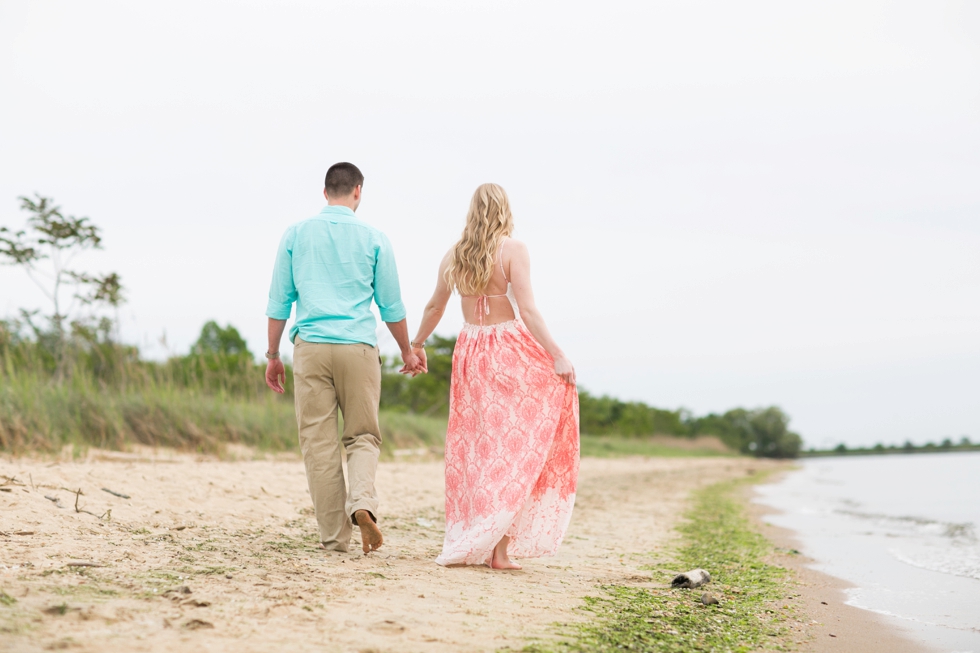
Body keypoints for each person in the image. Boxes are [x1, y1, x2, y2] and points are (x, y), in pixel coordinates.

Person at [411, 183, 580, 569]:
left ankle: (487, 540)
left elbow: (435, 306)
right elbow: (530, 311)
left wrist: (416, 345)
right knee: (513, 449)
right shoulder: (513, 250)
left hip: (470, 351)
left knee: (478, 447)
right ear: (505, 209)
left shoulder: (455, 255)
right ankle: (498, 551)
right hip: (509, 349)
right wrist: (557, 355)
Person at [264, 162, 421, 555]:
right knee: (363, 436)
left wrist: (272, 355)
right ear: (358, 192)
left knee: (318, 443)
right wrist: (407, 349)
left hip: (312, 349)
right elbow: (391, 306)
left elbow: (279, 302)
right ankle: (363, 503)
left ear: (325, 192)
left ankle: (335, 539)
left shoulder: (296, 234)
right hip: (358, 349)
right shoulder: (375, 238)